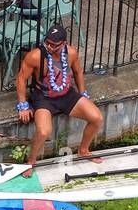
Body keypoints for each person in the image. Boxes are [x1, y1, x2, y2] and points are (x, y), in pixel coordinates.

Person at [15, 24, 103, 173]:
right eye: (47, 42)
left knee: (97, 118)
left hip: (66, 94)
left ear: (64, 43)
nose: (49, 46)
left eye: (54, 45)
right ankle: (31, 161)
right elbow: (21, 79)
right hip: (44, 99)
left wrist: (83, 94)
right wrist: (23, 105)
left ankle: (83, 150)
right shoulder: (35, 56)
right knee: (43, 131)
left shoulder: (72, 53)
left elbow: (78, 72)